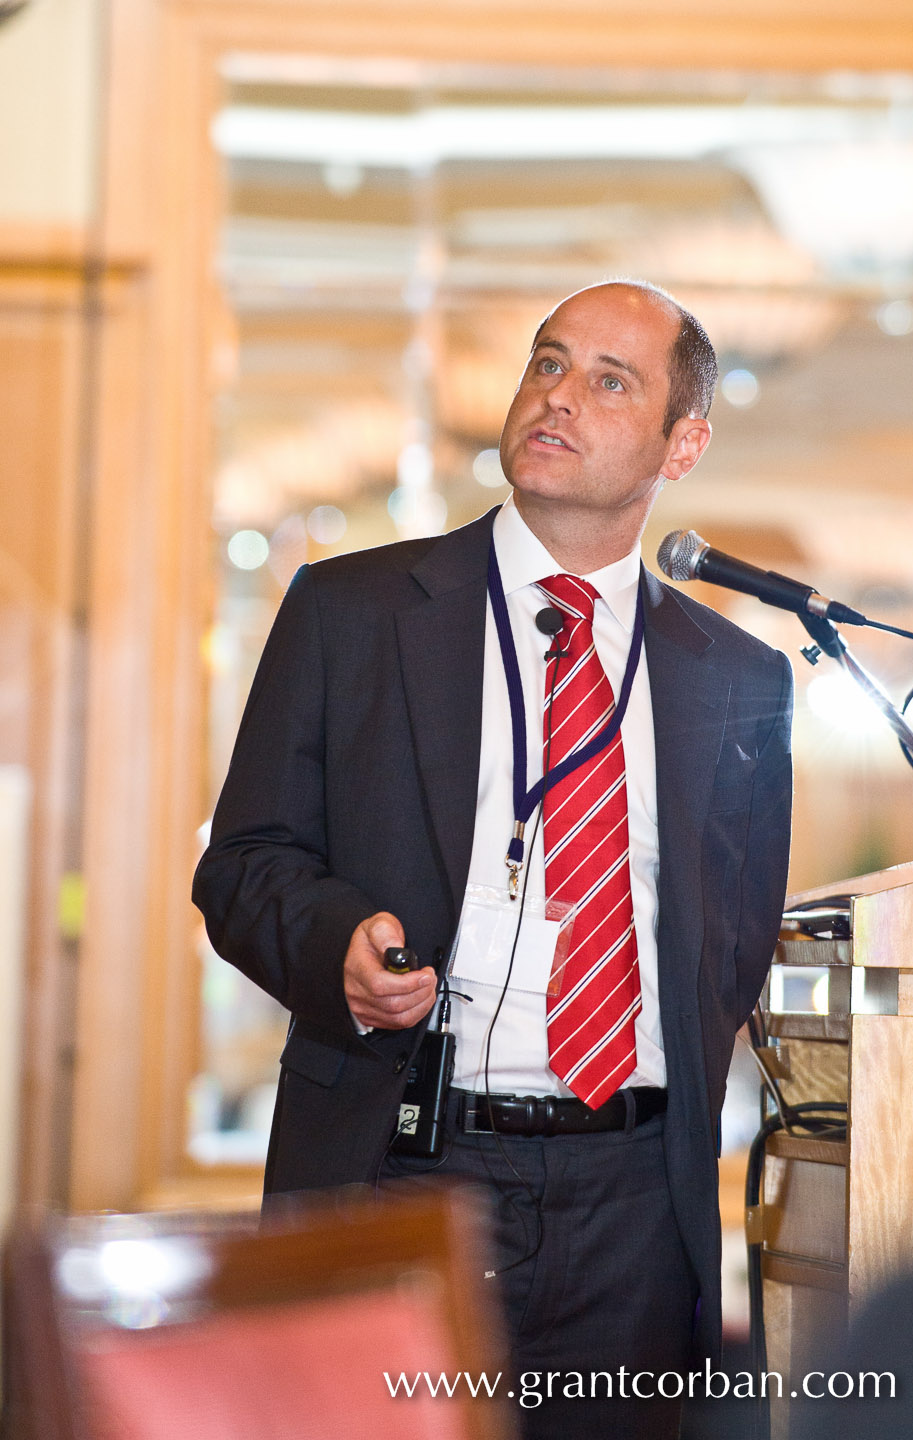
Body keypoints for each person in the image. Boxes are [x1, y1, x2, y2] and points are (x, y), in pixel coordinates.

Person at [193, 280, 793, 1439]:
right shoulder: (352, 610)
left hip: (633, 1201)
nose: (558, 395)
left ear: (686, 442)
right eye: (547, 363)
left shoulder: (736, 675)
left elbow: (729, 942)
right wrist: (339, 949)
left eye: (609, 381)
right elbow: (244, 861)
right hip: (405, 1157)